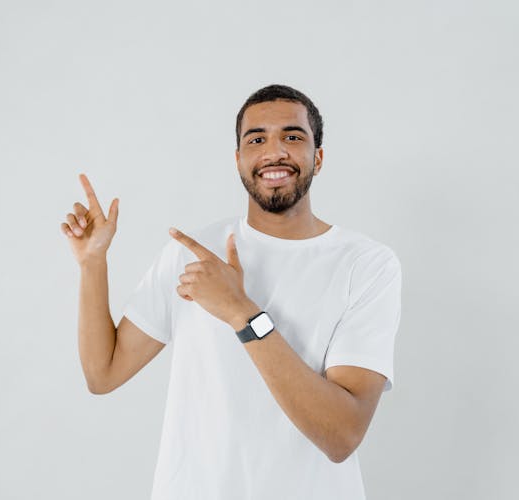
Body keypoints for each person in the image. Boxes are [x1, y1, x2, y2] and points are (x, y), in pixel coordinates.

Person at [60, 84, 402, 500]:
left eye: (292, 137)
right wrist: (93, 263)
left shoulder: (366, 264)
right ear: (239, 160)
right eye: (256, 139)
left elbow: (342, 435)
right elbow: (103, 374)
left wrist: (242, 312)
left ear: (319, 157)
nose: (274, 151)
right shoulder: (190, 253)